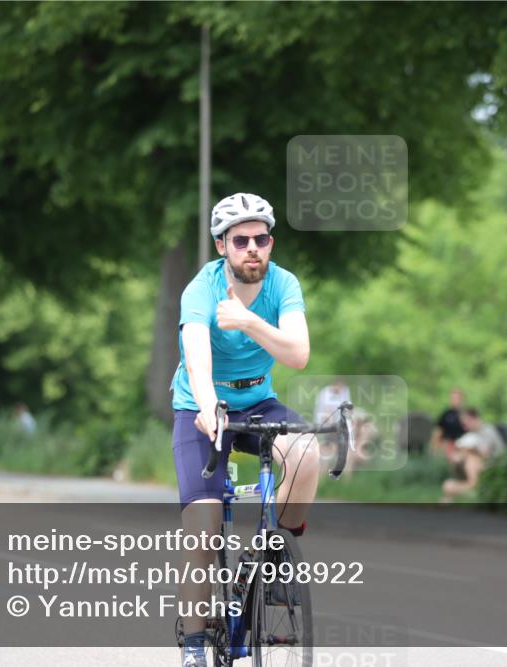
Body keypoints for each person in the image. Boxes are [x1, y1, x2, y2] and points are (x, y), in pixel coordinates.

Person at [170, 192, 316, 667]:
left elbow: (297, 354)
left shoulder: (283, 284)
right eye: (240, 240)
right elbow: (196, 353)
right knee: (204, 528)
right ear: (221, 246)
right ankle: (195, 644)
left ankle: (272, 559)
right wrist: (209, 406)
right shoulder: (201, 288)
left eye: (262, 238)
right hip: (202, 404)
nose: (253, 247)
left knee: (306, 453)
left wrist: (249, 320)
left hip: (257, 400)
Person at [440, 407, 505, 502]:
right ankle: (465, 489)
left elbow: (484, 454)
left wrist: (467, 451)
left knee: (471, 459)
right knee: (449, 482)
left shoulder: (487, 431)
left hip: (494, 466)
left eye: (465, 423)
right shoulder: (473, 433)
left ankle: (471, 488)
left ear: (473, 419)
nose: (464, 426)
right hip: (481, 467)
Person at [432, 388, 465, 463]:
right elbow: (438, 432)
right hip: (447, 445)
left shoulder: (466, 414)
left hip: (462, 445)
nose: (454, 400)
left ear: (462, 399)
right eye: (453, 398)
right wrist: (435, 448)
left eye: (457, 398)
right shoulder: (446, 414)